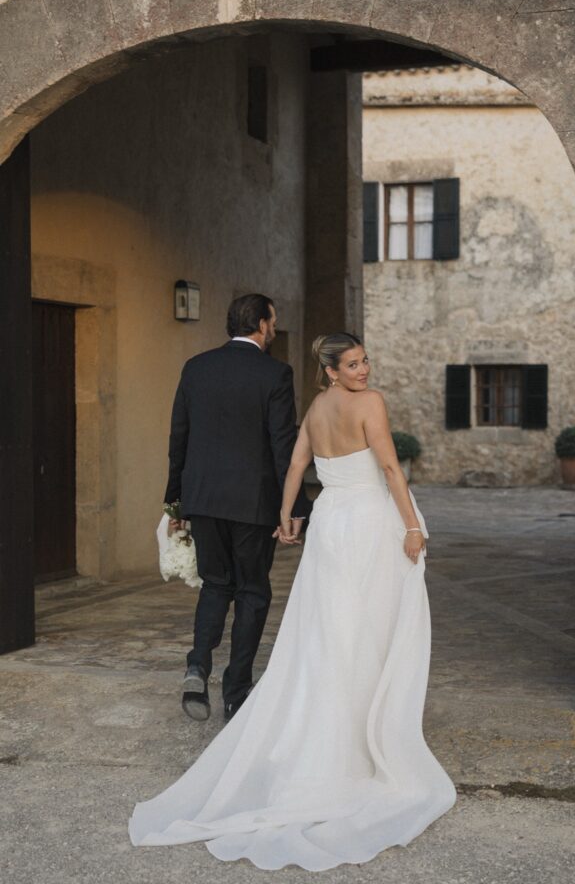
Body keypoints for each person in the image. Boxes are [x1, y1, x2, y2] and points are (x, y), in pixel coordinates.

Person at [129, 333, 456, 871]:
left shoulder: (316, 409)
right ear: (330, 370)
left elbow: (297, 465)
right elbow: (392, 470)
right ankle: (361, 738)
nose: (363, 371)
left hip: (331, 524)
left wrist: (288, 515)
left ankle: (336, 724)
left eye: (365, 361)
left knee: (331, 629)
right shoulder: (369, 405)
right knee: (366, 627)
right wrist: (413, 525)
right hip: (369, 522)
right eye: (352, 364)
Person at [164, 293, 311, 721]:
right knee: (251, 590)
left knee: (215, 584)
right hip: (253, 502)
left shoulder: (196, 367)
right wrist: (296, 507)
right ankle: (236, 692)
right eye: (273, 321)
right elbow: (284, 446)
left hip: (204, 498)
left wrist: (176, 502)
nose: (273, 328)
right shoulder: (276, 373)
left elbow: (179, 438)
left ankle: (197, 666)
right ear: (263, 325)